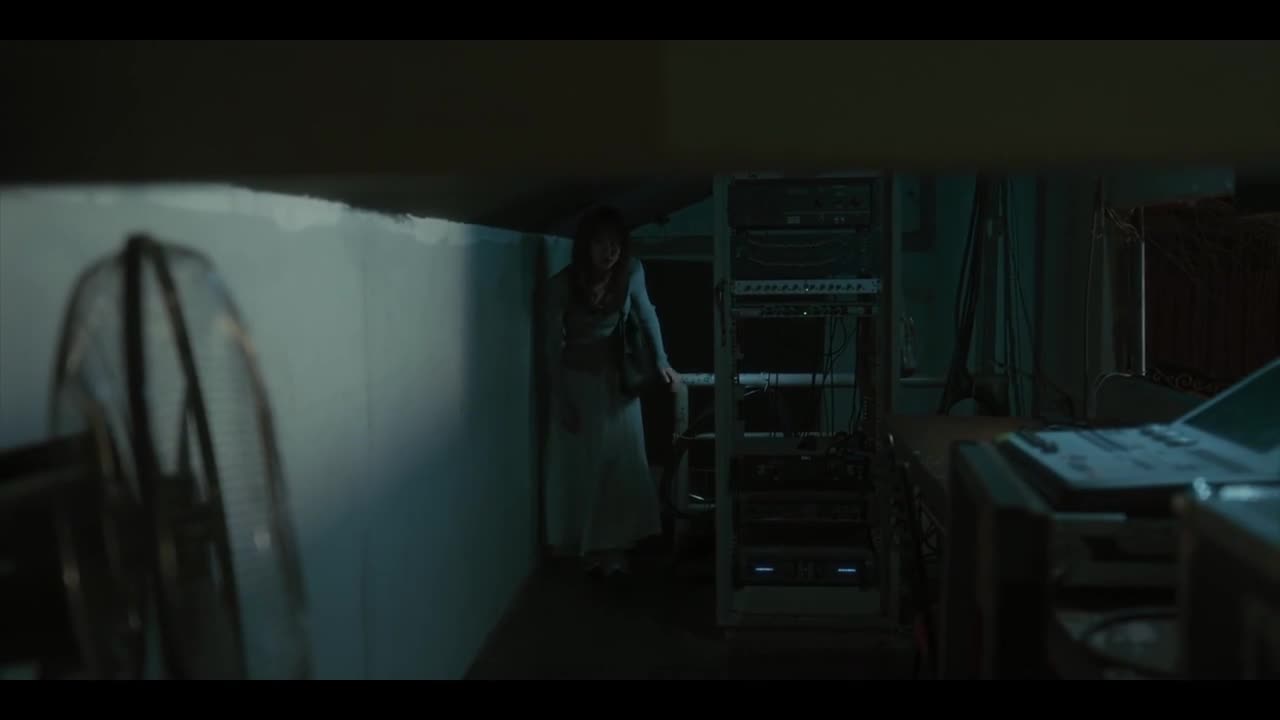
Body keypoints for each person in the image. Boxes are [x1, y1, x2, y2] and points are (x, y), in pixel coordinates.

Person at [542, 205, 680, 579]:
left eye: (616, 243)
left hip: (618, 378)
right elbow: (552, 347)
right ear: (586, 245)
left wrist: (662, 360)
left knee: (622, 461)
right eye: (601, 243)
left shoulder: (630, 271)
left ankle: (616, 546)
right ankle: (587, 546)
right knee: (587, 464)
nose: (610, 251)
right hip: (579, 380)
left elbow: (646, 313)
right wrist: (561, 398)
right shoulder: (562, 284)